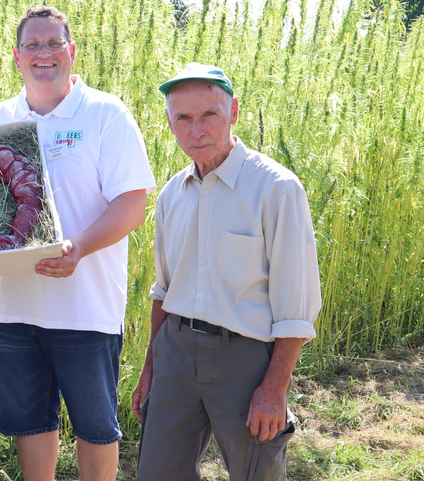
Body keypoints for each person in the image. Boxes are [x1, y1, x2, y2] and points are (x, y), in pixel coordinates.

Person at [0, 6, 156, 481]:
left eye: (54, 43)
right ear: (16, 57)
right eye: (32, 45)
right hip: (12, 309)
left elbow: (131, 206)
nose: (44, 54)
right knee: (31, 425)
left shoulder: (105, 115)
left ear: (71, 52)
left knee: (95, 429)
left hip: (86, 309)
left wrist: (78, 248)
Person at [131, 63, 323, 481]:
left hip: (246, 357)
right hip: (176, 353)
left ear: (234, 111)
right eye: (183, 117)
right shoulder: (170, 196)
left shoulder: (276, 188)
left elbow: (296, 304)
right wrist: (150, 369)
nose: (195, 129)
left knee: (256, 473)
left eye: (209, 115)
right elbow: (163, 291)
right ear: (170, 122)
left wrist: (274, 388)